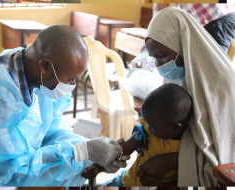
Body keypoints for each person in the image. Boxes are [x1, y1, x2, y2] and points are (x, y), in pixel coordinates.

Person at [0, 24, 129, 186]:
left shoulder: (29, 70)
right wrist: (81, 152)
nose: (72, 85)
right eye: (70, 79)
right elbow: (11, 171)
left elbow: (49, 132)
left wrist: (90, 151)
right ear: (45, 66)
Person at [132, 7, 235, 186]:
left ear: (183, 44)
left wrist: (169, 161)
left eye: (162, 56)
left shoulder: (221, 82)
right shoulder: (179, 73)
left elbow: (223, 152)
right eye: (154, 58)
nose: (159, 65)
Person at [81, 83, 193, 187]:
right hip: (126, 181)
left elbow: (185, 180)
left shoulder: (188, 148)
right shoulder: (148, 131)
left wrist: (159, 184)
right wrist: (97, 167)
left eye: (153, 127)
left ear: (176, 127)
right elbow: (122, 150)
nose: (148, 127)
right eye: (146, 123)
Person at [153, 3, 235, 54]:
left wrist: (154, 35)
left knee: (214, 66)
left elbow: (160, 9)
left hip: (215, 16)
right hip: (216, 17)